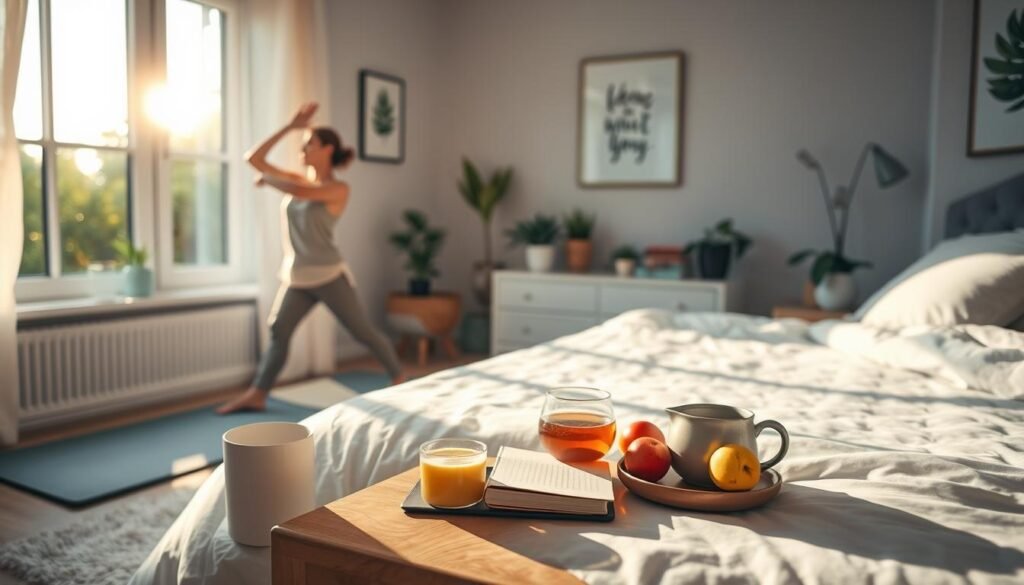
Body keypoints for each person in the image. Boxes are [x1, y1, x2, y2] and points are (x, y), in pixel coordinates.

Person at [217, 102, 405, 414]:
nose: (303, 150)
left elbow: (297, 192)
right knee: (279, 331)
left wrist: (268, 179)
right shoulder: (299, 180)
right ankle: (258, 393)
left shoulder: (338, 189)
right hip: (298, 276)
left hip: (329, 274)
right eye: (303, 145)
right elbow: (254, 159)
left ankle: (399, 378)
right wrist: (291, 127)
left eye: (310, 145)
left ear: (328, 150)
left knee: (362, 332)